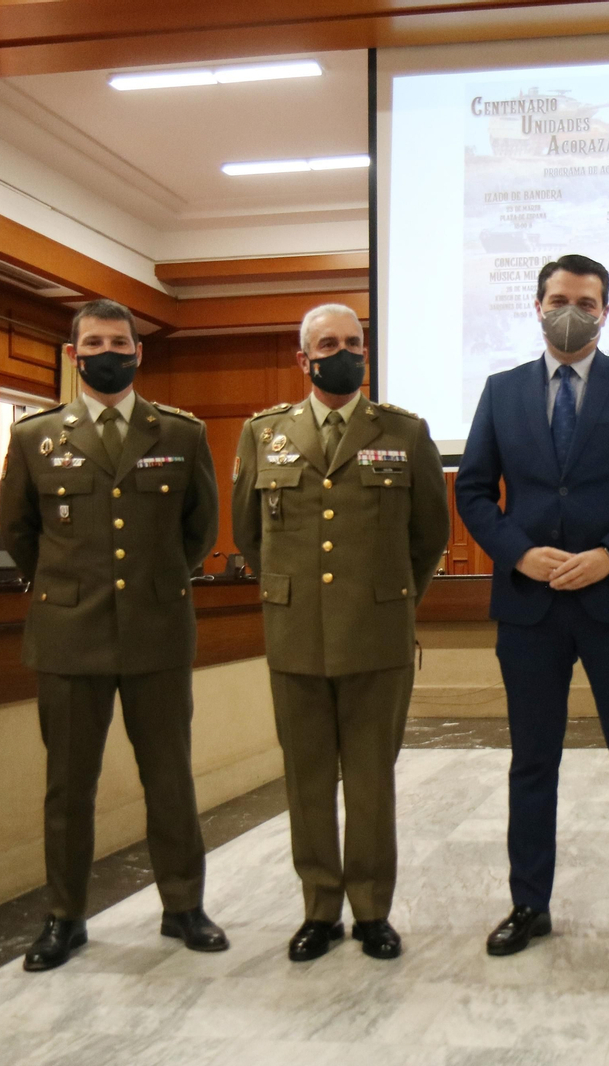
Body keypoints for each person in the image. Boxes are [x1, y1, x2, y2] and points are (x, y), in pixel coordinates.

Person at [455, 254, 609, 962]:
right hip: (529, 606)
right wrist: (518, 553)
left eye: (587, 302)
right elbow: (472, 490)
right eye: (560, 298)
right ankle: (529, 903)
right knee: (533, 762)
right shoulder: (500, 392)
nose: (572, 311)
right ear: (536, 305)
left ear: (605, 312)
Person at [0, 297, 225, 972]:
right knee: (69, 786)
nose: (107, 351)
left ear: (138, 351)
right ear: (73, 354)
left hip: (157, 631)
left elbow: (200, 530)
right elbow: (19, 534)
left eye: (119, 341)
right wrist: (71, 588)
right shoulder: (34, 437)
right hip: (68, 635)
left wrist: (155, 582)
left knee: (171, 779)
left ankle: (183, 905)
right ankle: (64, 917)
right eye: (93, 341)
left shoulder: (180, 434)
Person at [232, 304, 448, 962]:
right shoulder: (263, 433)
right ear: (304, 359)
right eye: (328, 344)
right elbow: (248, 533)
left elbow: (429, 535)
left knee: (371, 781)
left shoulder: (405, 433)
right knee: (306, 779)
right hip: (295, 634)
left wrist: (392, 599)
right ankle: (320, 909)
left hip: (377, 637)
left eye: (354, 343)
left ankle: (372, 911)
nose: (343, 353)